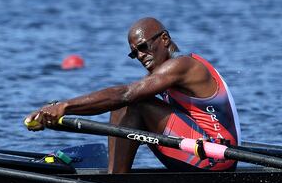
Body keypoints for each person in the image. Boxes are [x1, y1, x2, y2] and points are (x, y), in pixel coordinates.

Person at [24, 17, 240, 173]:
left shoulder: (182, 65)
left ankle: (115, 180)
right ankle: (116, 176)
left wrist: (65, 106)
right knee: (128, 103)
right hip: (199, 149)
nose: (140, 56)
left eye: (144, 47)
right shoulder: (166, 71)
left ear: (164, 39)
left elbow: (126, 94)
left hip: (217, 159)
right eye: (134, 53)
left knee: (132, 102)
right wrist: (55, 113)